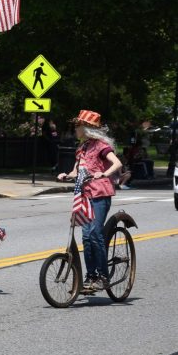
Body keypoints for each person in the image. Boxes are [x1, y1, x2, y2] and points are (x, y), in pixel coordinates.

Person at [57, 109, 123, 293]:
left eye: (78, 125)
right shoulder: (82, 148)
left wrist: (104, 173)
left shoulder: (101, 146)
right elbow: (77, 171)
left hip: (100, 194)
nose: (75, 129)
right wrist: (66, 175)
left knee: (95, 233)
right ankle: (91, 276)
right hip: (85, 195)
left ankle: (103, 276)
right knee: (86, 237)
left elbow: (117, 163)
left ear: (87, 128)